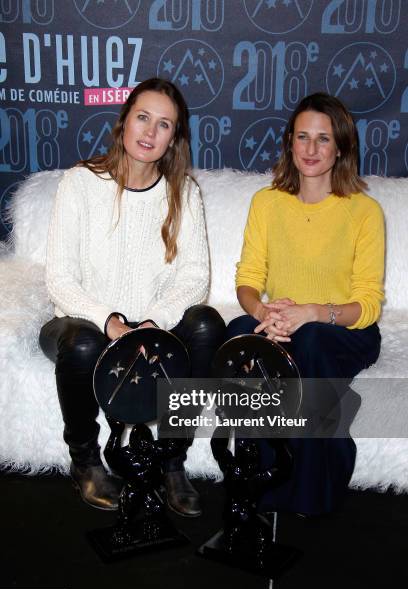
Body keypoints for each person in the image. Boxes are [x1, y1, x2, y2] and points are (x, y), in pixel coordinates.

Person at [39, 78, 225, 517]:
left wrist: (153, 322)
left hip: (150, 327)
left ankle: (171, 460)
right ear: (124, 121)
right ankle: (84, 461)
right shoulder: (80, 183)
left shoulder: (184, 193)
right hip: (83, 324)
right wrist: (112, 323)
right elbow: (60, 280)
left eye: (164, 125)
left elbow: (196, 276)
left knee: (206, 323)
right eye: (143, 117)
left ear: (174, 138)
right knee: (83, 341)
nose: (150, 132)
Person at [227, 92, 384, 516]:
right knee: (238, 336)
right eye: (302, 137)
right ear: (289, 143)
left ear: (341, 148)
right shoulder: (267, 202)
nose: (311, 150)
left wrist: (312, 313)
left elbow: (367, 304)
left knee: (311, 339)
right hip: (280, 320)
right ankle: (252, 475)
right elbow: (247, 280)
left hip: (341, 329)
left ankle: (312, 491)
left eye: (323, 139)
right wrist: (263, 314)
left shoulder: (364, 212)